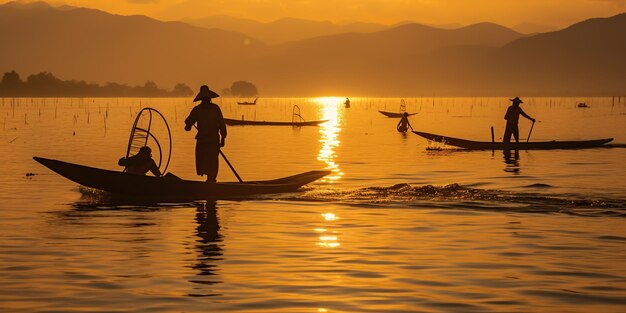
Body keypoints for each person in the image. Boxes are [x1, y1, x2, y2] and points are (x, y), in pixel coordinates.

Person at [185, 85, 227, 182]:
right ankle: (209, 180)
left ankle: (211, 179)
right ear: (202, 99)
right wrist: (188, 125)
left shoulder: (215, 108)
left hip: (213, 140)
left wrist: (223, 137)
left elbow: (221, 123)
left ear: (209, 98)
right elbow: (189, 121)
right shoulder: (197, 110)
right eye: (204, 99)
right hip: (202, 140)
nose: (206, 100)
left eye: (207, 98)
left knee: (213, 160)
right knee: (203, 160)